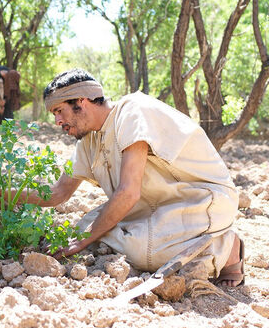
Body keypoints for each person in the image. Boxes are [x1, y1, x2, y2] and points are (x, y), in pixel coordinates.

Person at [20, 68, 244, 287]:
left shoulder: (132, 111)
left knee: (141, 253)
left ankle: (227, 247)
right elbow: (57, 193)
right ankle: (146, 236)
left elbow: (128, 192)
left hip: (200, 200)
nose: (58, 121)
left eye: (60, 111)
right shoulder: (88, 140)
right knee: (84, 229)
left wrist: (83, 241)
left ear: (81, 101)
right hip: (152, 207)